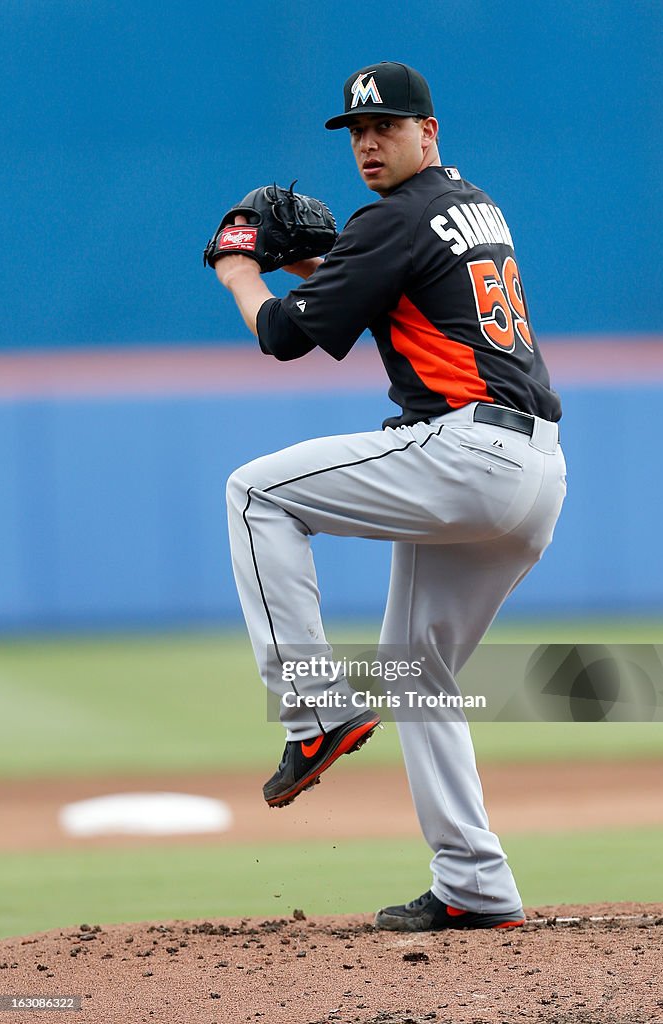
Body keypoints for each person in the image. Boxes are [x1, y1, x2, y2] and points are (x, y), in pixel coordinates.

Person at [213, 61, 566, 932]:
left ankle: (316, 708)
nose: (369, 142)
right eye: (357, 132)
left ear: (427, 130)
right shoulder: (469, 204)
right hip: (534, 471)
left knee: (256, 493)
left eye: (387, 127)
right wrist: (325, 261)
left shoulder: (394, 217)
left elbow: (285, 335)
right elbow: (398, 286)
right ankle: (475, 884)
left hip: (470, 454)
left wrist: (237, 267)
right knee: (416, 674)